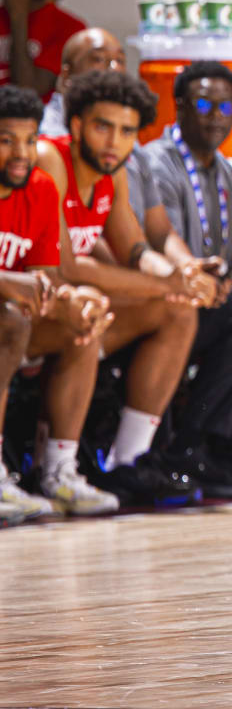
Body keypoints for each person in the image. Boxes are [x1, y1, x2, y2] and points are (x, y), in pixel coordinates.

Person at [40, 70, 221, 504]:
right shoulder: (51, 159)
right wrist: (162, 284)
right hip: (28, 302)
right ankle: (55, 472)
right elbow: (65, 267)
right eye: (103, 127)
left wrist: (181, 279)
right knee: (93, 310)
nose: (114, 142)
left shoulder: (113, 172)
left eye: (125, 132)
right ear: (78, 124)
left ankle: (129, 461)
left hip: (61, 305)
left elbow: (136, 249)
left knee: (178, 310)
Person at [125, 60, 232, 499]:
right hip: (175, 297)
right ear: (177, 106)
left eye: (225, 105)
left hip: (219, 294)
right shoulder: (157, 163)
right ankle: (195, 444)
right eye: (204, 103)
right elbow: (165, 244)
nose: (217, 114)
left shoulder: (228, 172)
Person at [0, 85, 115, 519]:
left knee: (84, 323)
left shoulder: (42, 189)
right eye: (7, 140)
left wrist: (74, 298)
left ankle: (59, 473)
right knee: (11, 321)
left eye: (29, 141)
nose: (21, 153)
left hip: (14, 322)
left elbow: (43, 277)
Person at [40, 27, 126, 137]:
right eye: (99, 59)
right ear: (67, 75)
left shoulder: (129, 123)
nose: (114, 68)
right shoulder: (42, 130)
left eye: (120, 60)